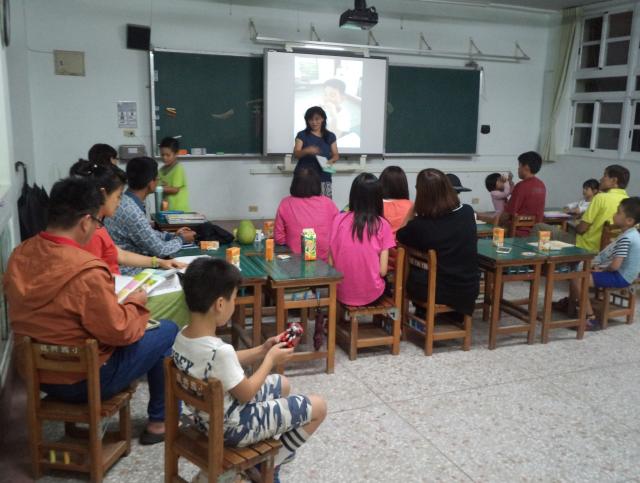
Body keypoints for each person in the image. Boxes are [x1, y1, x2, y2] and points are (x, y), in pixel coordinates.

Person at [4, 177, 178, 445]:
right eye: (97, 222)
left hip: (36, 376)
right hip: (85, 380)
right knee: (167, 331)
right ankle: (159, 422)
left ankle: (159, 420)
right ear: (86, 222)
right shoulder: (86, 269)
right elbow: (119, 332)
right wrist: (135, 303)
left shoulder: (19, 255)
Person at [172, 258, 327, 481]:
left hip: (204, 420)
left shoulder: (183, 336)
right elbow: (246, 394)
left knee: (282, 384)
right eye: (234, 298)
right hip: (233, 428)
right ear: (220, 304)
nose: (234, 304)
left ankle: (262, 457)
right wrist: (270, 360)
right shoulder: (220, 351)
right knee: (319, 407)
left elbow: (217, 364)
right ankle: (270, 464)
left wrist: (263, 350)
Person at [70, 160, 185, 274]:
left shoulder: (97, 224)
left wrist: (159, 262)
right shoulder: (91, 230)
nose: (119, 203)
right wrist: (180, 239)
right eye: (118, 196)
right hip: (122, 277)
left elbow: (121, 255)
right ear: (103, 194)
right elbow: (95, 274)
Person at [397, 168, 479, 318]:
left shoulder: (421, 226)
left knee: (413, 269)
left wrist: (413, 209)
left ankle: (422, 311)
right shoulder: (467, 212)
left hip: (436, 291)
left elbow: (400, 235)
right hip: (468, 289)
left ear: (422, 195)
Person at [104, 156, 196, 275]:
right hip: (130, 271)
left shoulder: (126, 200)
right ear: (151, 183)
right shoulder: (132, 211)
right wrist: (181, 239)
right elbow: (161, 250)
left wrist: (170, 236)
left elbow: (146, 232)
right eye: (157, 178)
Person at [568, 197, 640, 330]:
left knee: (578, 278)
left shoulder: (626, 238)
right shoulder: (633, 234)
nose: (614, 214)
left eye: (618, 212)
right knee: (579, 272)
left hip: (621, 277)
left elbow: (615, 265)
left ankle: (590, 318)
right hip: (625, 274)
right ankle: (573, 303)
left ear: (629, 221)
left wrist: (601, 270)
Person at [329, 173, 395, 306]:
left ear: (353, 195)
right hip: (371, 294)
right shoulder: (382, 224)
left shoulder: (338, 219)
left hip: (339, 292)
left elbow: (330, 262)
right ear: (378, 198)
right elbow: (382, 271)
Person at [274, 166, 338, 261]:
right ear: (317, 184)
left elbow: (279, 238)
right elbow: (337, 233)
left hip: (293, 261)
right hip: (323, 262)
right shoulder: (328, 203)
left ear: (294, 184)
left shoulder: (285, 203)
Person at [575, 165, 630, 253]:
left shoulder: (600, 198)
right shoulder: (629, 202)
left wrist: (576, 225)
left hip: (588, 248)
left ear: (614, 180)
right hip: (612, 251)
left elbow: (582, 229)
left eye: (604, 176)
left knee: (557, 233)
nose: (600, 179)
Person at [293, 106, 339, 198]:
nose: (314, 122)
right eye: (311, 120)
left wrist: (330, 161)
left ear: (323, 119)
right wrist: (306, 150)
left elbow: (336, 155)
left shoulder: (330, 136)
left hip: (324, 175)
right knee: (304, 202)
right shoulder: (302, 135)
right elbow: (296, 154)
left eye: (317, 119)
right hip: (305, 176)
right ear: (307, 121)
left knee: (325, 202)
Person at [498, 151, 546, 236]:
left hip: (517, 232)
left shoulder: (521, 186)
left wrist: (496, 222)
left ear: (526, 167)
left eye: (519, 166)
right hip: (536, 232)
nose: (518, 169)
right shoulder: (541, 185)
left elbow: (507, 214)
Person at [159, 136, 191, 211]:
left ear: (176, 154)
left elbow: (175, 190)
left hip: (179, 211)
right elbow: (158, 185)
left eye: (168, 155)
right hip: (166, 209)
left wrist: (160, 188)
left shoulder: (178, 169)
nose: (164, 158)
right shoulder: (160, 170)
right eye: (162, 155)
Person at [379, 166, 413, 235]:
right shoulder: (411, 206)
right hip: (403, 241)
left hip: (381, 241)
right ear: (403, 185)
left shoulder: (375, 205)